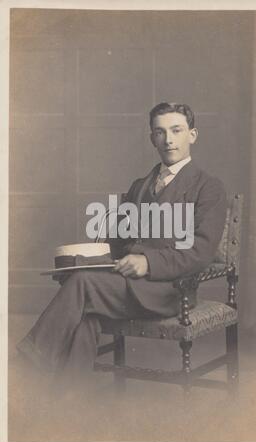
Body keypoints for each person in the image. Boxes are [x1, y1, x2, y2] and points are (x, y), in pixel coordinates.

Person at [17, 102, 227, 382]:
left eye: (176, 130)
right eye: (160, 132)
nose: (169, 139)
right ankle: (69, 400)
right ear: (152, 138)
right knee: (82, 309)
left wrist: (148, 262)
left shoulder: (207, 187)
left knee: (81, 286)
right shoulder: (140, 186)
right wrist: (83, 260)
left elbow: (200, 253)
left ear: (192, 134)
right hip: (124, 284)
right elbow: (117, 242)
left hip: (170, 290)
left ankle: (24, 369)